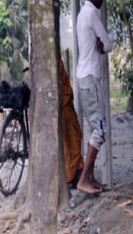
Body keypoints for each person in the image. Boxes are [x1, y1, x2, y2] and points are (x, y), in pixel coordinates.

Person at [75, 0, 113, 194]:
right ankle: (83, 180)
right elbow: (108, 43)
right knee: (99, 131)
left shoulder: (82, 14)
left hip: (84, 77)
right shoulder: (92, 14)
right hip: (91, 78)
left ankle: (90, 178)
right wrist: (104, 44)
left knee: (94, 129)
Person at [59, 59, 84, 188]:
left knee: (74, 139)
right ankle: (70, 177)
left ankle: (74, 176)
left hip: (65, 106)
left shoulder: (58, 63)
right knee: (70, 142)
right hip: (61, 108)